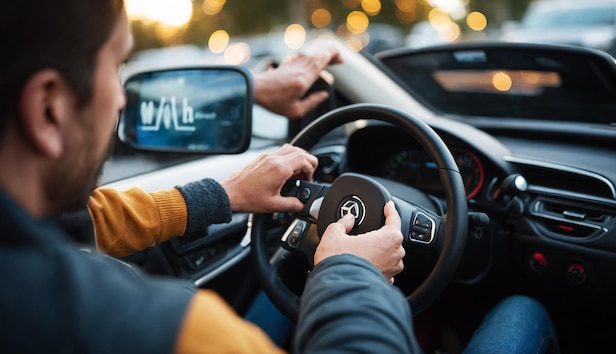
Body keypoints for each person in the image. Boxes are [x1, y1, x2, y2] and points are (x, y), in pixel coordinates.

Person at [0, 1, 416, 353]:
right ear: (48, 110)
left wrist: (227, 193)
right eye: (115, 67)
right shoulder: (178, 333)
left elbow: (91, 219)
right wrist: (353, 273)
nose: (124, 98)